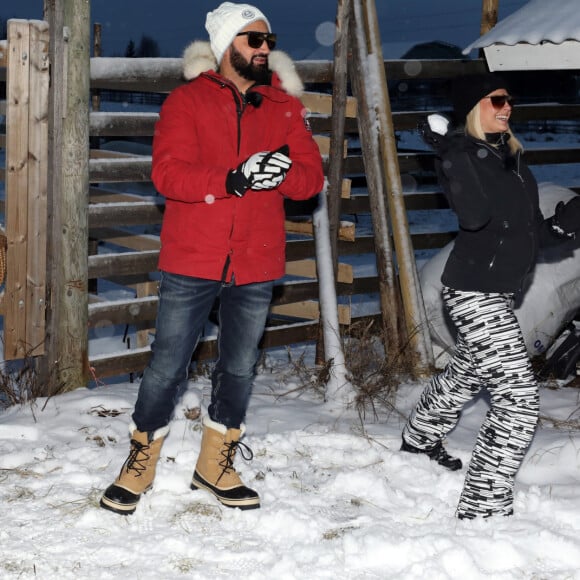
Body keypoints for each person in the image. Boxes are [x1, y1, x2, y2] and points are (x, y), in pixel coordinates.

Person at [100, 2, 324, 515]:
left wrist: (278, 173)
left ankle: (215, 463)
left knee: (240, 367)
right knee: (166, 367)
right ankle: (140, 461)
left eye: (269, 40)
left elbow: (311, 180)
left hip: (257, 259)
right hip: (193, 256)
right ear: (227, 47)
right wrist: (232, 179)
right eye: (254, 40)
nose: (265, 49)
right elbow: (168, 176)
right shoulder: (186, 102)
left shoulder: (285, 108)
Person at [400, 73, 580, 519]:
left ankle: (419, 439)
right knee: (519, 399)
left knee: (467, 371)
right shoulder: (463, 157)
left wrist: (561, 225)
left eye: (509, 101)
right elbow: (476, 216)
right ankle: (483, 503)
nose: (506, 107)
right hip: (472, 292)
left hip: (498, 292)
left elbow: (523, 228)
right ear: (472, 108)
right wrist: (451, 153)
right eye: (496, 100)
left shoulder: (512, 158)